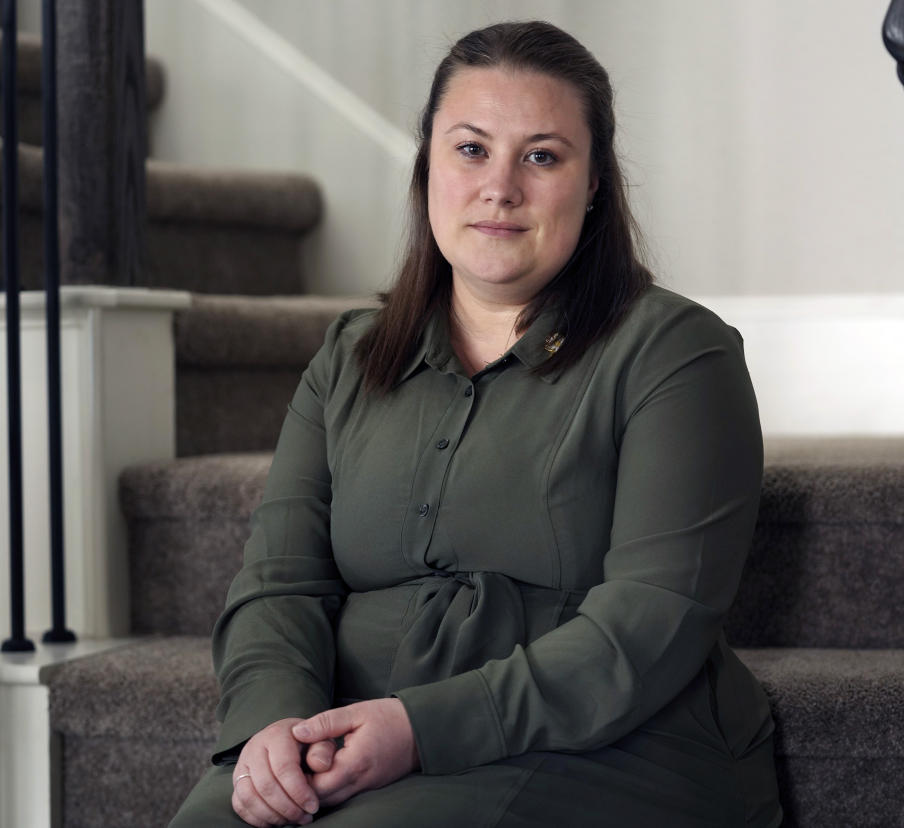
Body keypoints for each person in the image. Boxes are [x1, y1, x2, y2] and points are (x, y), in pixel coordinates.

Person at [171, 20, 781, 828]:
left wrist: (418, 729)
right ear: (427, 165)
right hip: (354, 732)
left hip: (605, 743)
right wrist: (272, 727)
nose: (500, 187)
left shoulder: (676, 353)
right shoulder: (349, 357)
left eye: (542, 155)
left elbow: (651, 621)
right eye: (470, 150)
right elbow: (280, 583)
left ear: (594, 181)